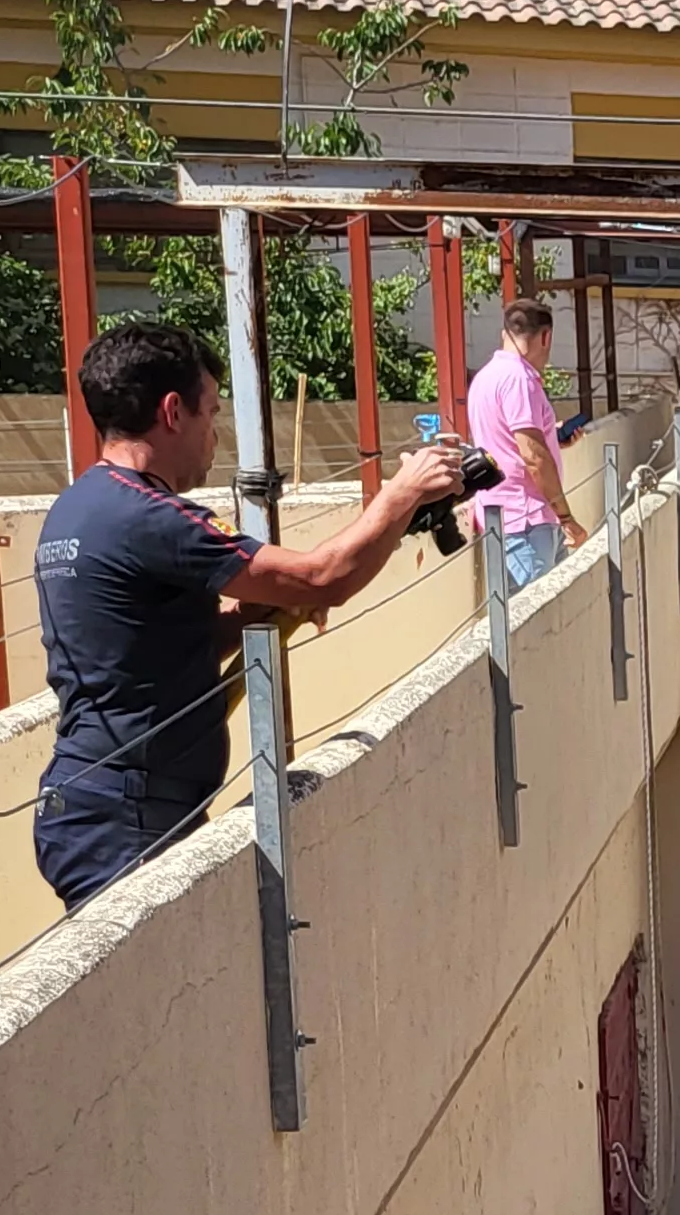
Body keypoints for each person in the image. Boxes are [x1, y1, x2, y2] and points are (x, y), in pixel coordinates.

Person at [32, 315, 459, 912]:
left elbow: (161, 646)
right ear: (174, 411)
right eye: (212, 416)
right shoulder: (150, 516)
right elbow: (324, 575)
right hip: (126, 815)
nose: (216, 436)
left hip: (105, 803)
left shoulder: (79, 507)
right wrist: (403, 492)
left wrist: (273, 609)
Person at [466, 295, 574, 587]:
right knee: (540, 626)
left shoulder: (486, 377)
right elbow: (533, 457)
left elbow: (505, 440)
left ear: (505, 334)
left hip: (500, 515)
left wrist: (553, 437)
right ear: (546, 337)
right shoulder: (520, 379)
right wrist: (566, 516)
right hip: (526, 521)